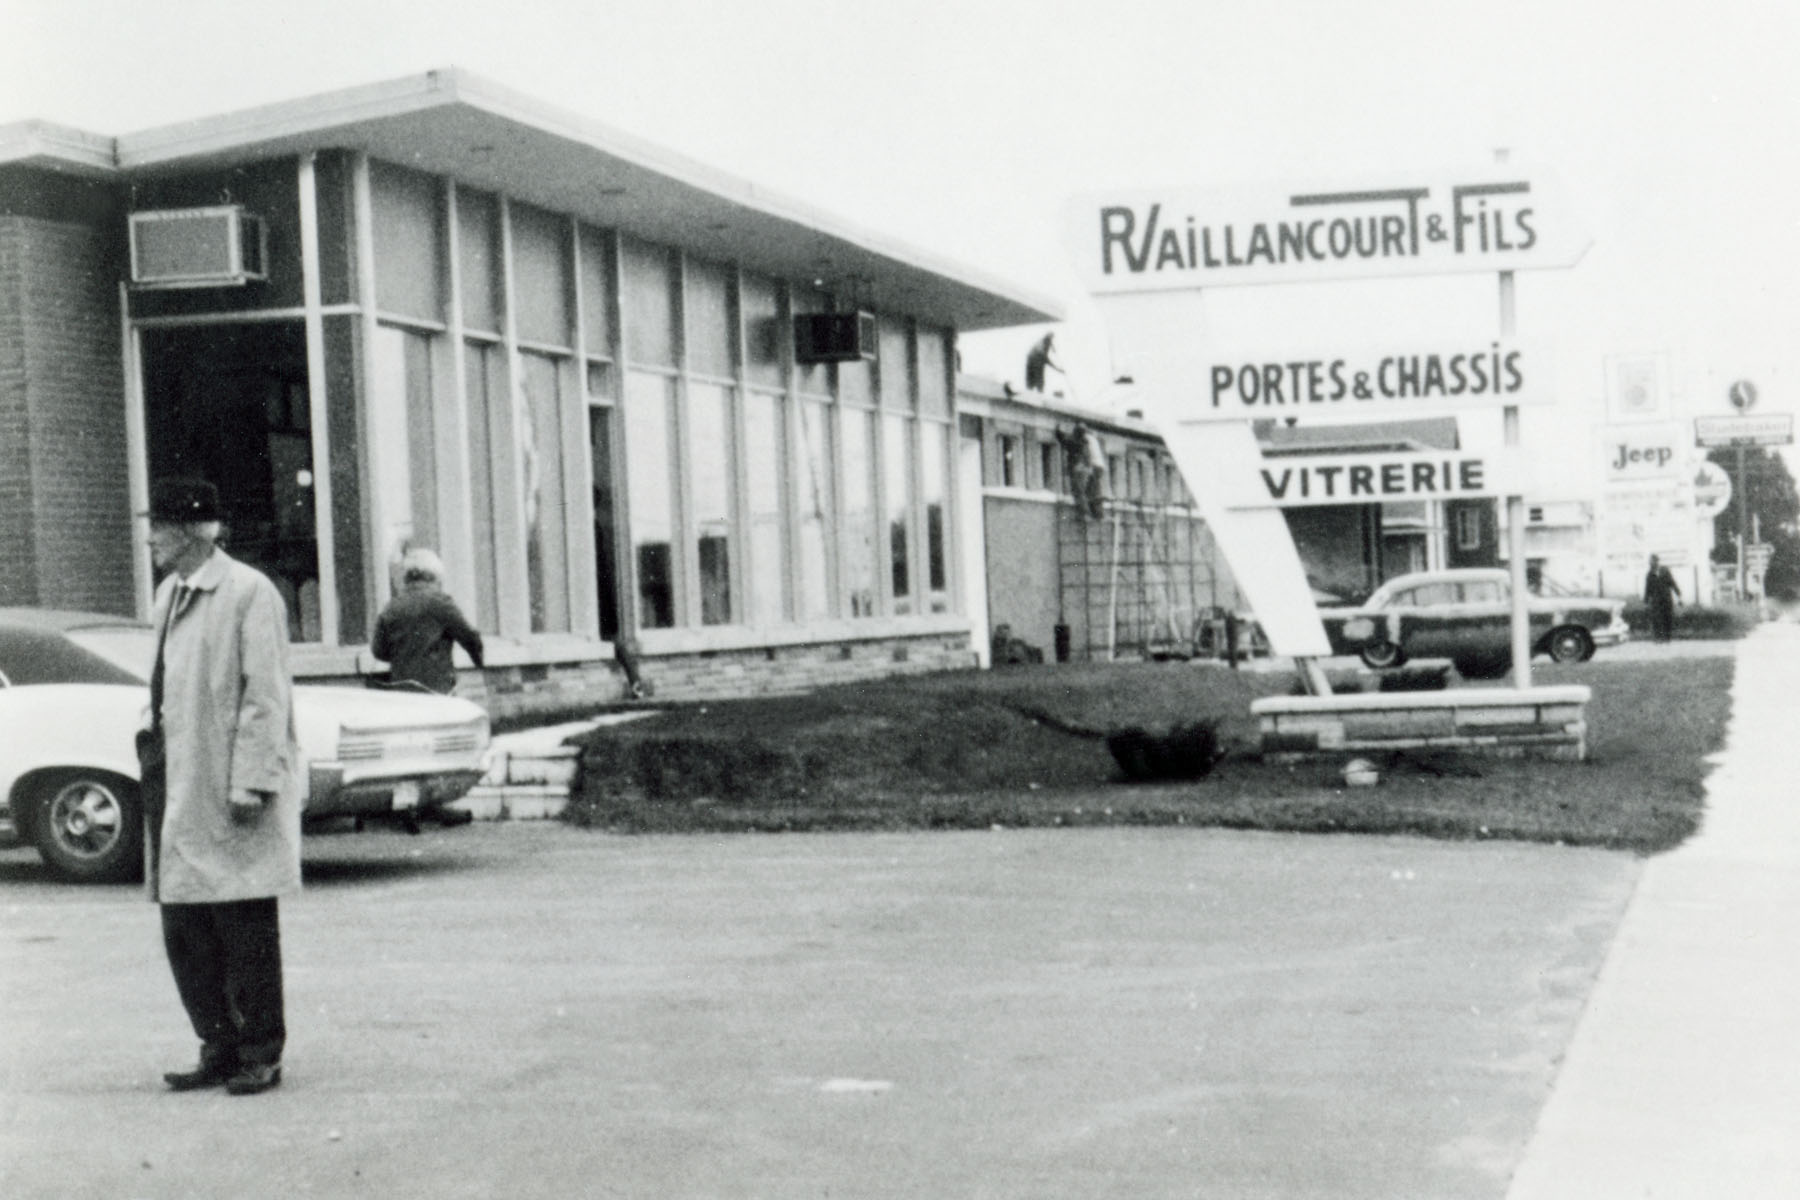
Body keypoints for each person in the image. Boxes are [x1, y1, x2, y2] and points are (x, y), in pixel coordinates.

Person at [142, 477, 300, 1097]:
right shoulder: (168, 594)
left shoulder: (248, 592)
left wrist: (254, 780)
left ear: (189, 531)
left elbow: (266, 694)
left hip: (226, 786)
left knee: (244, 924)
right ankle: (218, 1044)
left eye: (158, 525)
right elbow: (159, 683)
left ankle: (260, 1051)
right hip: (178, 781)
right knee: (185, 928)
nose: (150, 536)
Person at [371, 547, 484, 696]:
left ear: (406, 577)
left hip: (401, 691)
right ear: (433, 576)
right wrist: (479, 662)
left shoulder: (391, 607)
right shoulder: (441, 603)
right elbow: (470, 637)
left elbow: (379, 651)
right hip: (437, 690)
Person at [1644, 554, 1681, 642]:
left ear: (1657, 561)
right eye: (1650, 561)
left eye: (1652, 561)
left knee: (1667, 617)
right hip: (1656, 600)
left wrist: (1678, 594)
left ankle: (1667, 637)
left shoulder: (1665, 571)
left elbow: (1672, 583)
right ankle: (1658, 637)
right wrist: (1646, 601)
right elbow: (1647, 588)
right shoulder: (1649, 574)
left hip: (1666, 598)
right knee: (1657, 618)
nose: (1651, 563)